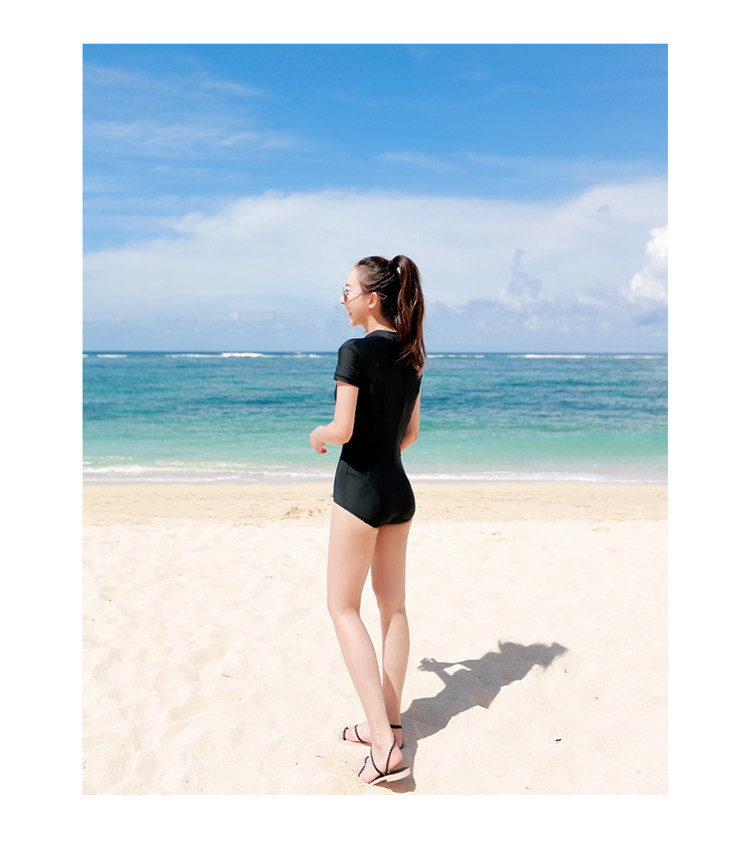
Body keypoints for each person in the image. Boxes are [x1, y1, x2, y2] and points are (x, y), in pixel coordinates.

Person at [309, 255, 426, 785]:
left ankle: (382, 745)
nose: (342, 300)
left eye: (347, 290)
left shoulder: (353, 351)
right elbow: (410, 435)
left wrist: (317, 436)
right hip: (399, 490)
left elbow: (342, 429)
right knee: (393, 607)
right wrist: (382, 457)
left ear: (371, 298)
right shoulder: (411, 354)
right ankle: (392, 726)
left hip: (359, 492)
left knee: (343, 607)